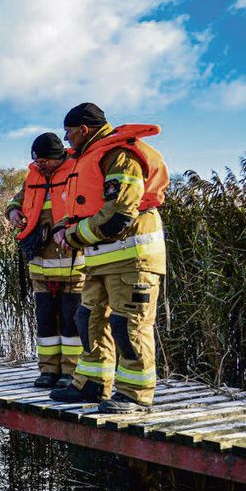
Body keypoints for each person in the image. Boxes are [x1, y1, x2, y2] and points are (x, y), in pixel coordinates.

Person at [51, 103, 168, 413]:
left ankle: (135, 394)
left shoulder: (119, 155)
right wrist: (65, 226)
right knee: (88, 319)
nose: (66, 139)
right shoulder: (92, 157)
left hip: (133, 258)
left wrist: (74, 237)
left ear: (84, 130)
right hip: (101, 258)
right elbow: (87, 207)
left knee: (128, 325)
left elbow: (119, 213)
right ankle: (92, 383)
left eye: (69, 132)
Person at [6, 133, 84, 387]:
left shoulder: (77, 171)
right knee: (46, 321)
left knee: (72, 322)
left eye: (44, 160)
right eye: (36, 159)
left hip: (72, 265)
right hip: (41, 265)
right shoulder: (33, 178)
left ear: (57, 156)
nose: (40, 164)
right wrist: (13, 211)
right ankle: (48, 370)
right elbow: (18, 199)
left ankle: (70, 373)